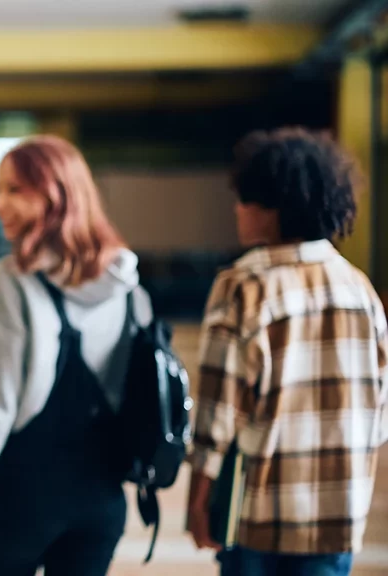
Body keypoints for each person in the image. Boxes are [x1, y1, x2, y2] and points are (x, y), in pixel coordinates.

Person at [0, 135, 153, 576]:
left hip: (21, 499)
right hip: (102, 500)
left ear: (54, 195)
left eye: (14, 190)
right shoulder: (129, 288)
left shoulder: (11, 283)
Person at [186, 127, 387, 576]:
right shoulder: (360, 290)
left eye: (247, 199)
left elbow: (218, 413)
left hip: (259, 513)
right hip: (338, 515)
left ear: (277, 207)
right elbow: (379, 413)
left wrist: (199, 498)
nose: (238, 209)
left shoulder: (243, 286)